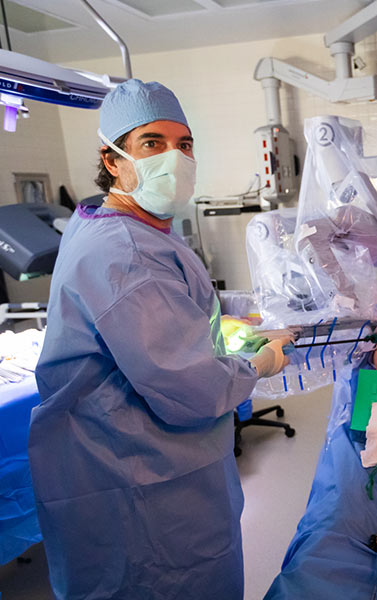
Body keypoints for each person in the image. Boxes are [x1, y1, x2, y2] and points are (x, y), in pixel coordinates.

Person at [29, 79, 289, 600]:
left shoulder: (110, 220)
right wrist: (260, 363)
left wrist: (242, 310)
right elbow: (190, 388)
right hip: (141, 477)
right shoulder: (125, 249)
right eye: (152, 143)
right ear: (113, 158)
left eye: (184, 143)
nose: (175, 156)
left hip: (131, 459)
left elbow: (169, 299)